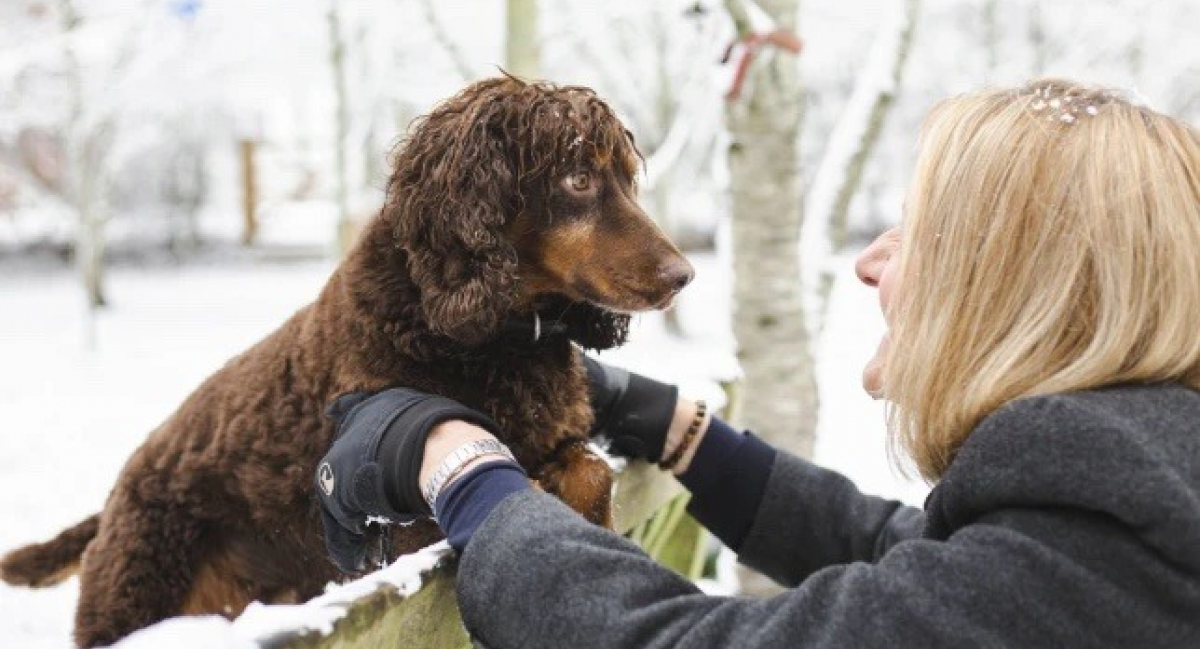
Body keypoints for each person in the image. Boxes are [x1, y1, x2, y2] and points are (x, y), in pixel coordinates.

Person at [315, 79, 1200, 648]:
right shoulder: (1134, 495)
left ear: (1018, 284)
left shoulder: (1105, 548)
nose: (870, 261)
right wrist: (680, 428)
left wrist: (469, 474)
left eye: (919, 233)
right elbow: (906, 555)